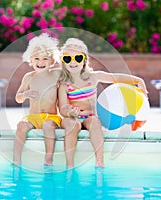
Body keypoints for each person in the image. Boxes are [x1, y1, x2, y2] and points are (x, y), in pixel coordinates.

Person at [58, 38, 148, 168]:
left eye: (77, 58)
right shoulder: (64, 84)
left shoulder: (93, 77)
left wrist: (137, 80)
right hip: (71, 118)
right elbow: (62, 108)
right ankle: (70, 164)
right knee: (73, 125)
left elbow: (114, 78)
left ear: (84, 60)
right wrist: (69, 111)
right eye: (67, 59)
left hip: (89, 117)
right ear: (63, 61)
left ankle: (99, 161)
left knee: (95, 123)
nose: (73, 62)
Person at [12, 33, 62, 166]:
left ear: (52, 61)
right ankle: (16, 159)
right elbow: (18, 98)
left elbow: (70, 72)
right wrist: (26, 94)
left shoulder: (56, 74)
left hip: (51, 117)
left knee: (48, 126)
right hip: (33, 117)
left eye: (45, 58)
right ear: (31, 60)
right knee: (21, 126)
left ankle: (48, 159)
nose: (41, 62)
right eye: (37, 58)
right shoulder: (28, 77)